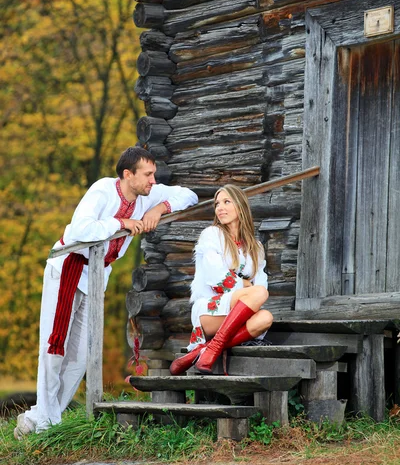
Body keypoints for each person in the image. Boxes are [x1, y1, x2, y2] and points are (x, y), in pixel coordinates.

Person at [14, 147, 198, 439]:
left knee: (82, 355)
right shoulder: (102, 190)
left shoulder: (148, 195)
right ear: (128, 175)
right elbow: (79, 230)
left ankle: (42, 418)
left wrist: (157, 209)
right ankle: (47, 423)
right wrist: (121, 223)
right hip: (68, 267)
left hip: (98, 275)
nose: (154, 180)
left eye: (154, 174)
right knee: (54, 347)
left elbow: (189, 195)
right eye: (148, 174)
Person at [170, 184, 273, 376]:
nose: (220, 208)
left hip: (238, 311)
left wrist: (250, 292)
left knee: (266, 318)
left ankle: (205, 351)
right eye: (217, 204)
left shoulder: (255, 247)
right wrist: (245, 286)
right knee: (258, 292)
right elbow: (215, 276)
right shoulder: (212, 235)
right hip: (210, 308)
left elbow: (261, 283)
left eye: (227, 202)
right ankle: (212, 347)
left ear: (240, 206)